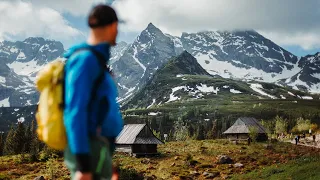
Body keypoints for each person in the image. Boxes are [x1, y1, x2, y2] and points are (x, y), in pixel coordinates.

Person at [63, 4, 123, 180]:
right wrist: (83, 165)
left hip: (98, 149)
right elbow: (75, 111)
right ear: (113, 26)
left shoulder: (96, 60)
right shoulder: (86, 60)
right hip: (90, 149)